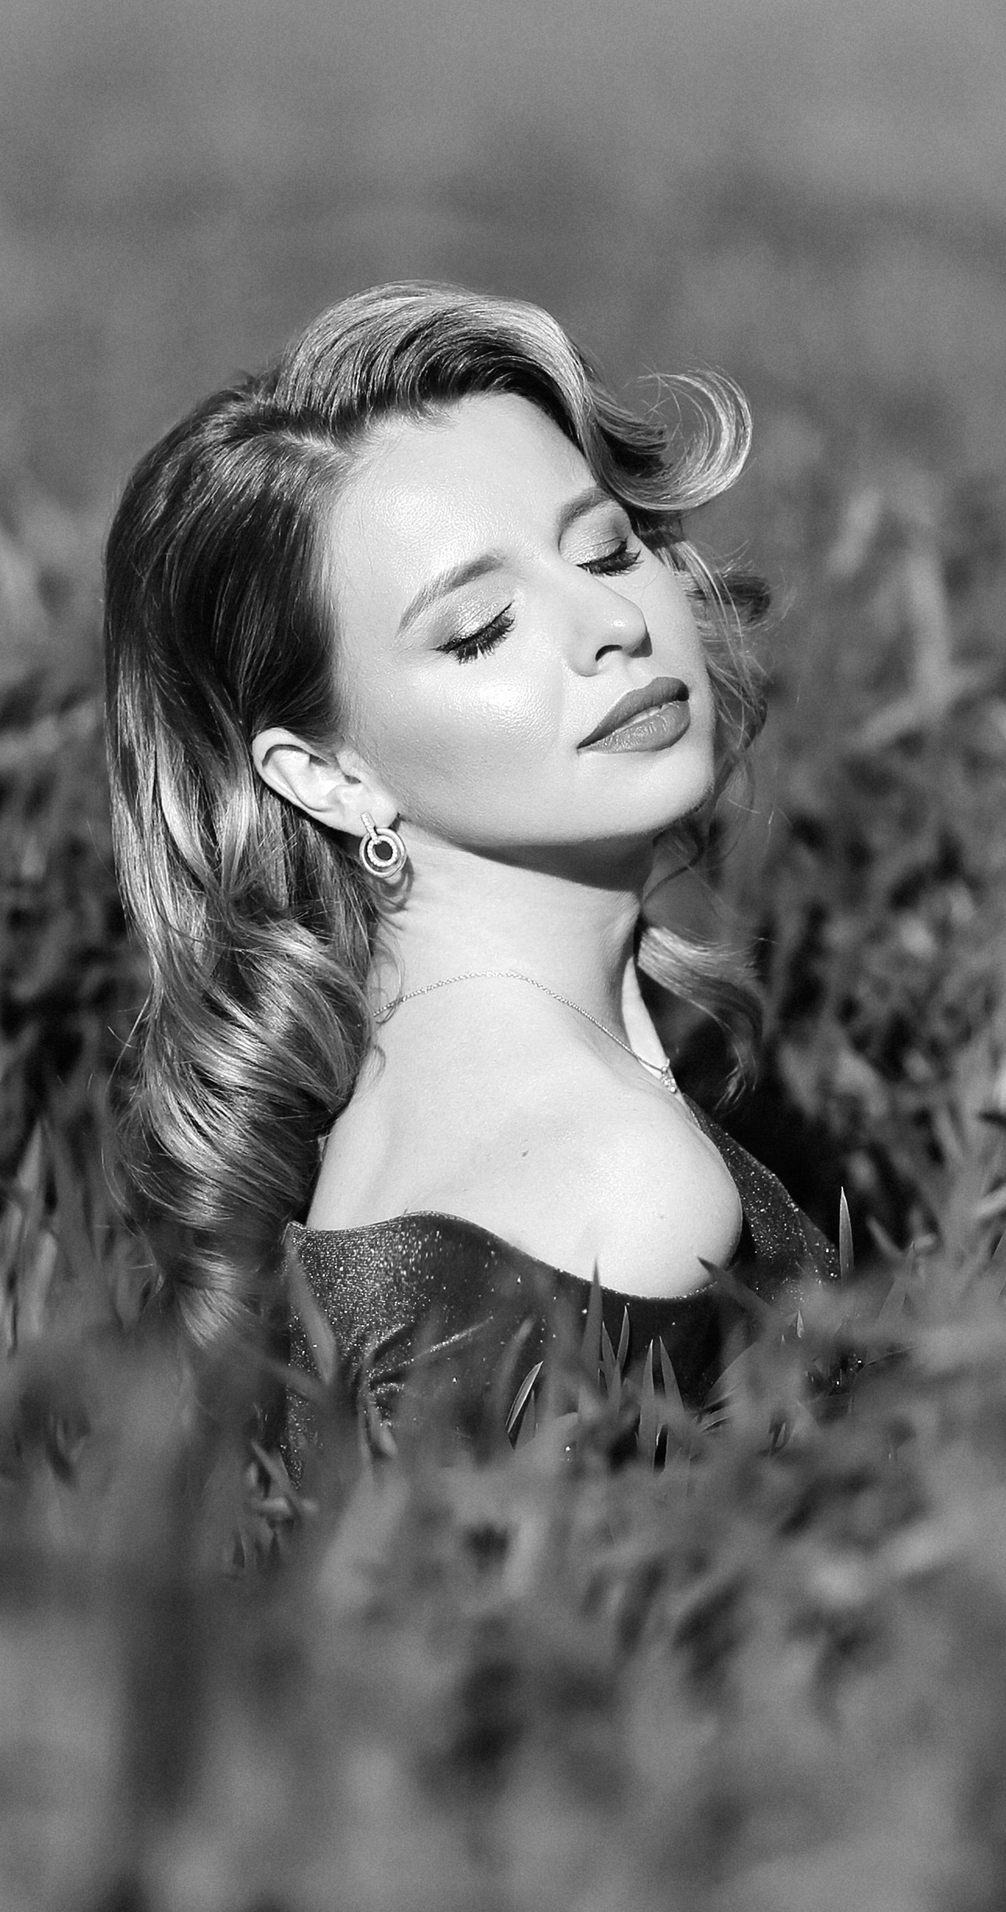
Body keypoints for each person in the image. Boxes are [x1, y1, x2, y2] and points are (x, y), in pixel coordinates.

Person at [100, 282, 838, 1470]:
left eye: (608, 546)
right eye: (478, 628)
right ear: (327, 778)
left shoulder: (407, 1115)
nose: (610, 622)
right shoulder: (610, 1171)